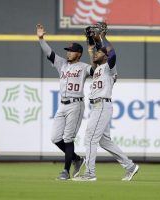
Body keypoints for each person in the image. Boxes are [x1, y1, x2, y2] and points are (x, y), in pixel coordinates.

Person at [73, 22, 139, 181]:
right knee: (104, 141)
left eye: (99, 52)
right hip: (98, 106)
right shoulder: (98, 68)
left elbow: (112, 53)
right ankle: (130, 166)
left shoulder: (110, 67)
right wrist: (91, 44)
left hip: (102, 104)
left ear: (105, 54)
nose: (96, 53)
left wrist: (102, 37)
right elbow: (95, 57)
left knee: (89, 138)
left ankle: (90, 174)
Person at [36, 24, 93, 180]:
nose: (68, 53)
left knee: (68, 138)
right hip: (62, 105)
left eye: (71, 51)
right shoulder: (62, 64)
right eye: (67, 51)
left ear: (79, 54)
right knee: (55, 138)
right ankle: (76, 159)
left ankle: (66, 171)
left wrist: (92, 50)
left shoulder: (83, 67)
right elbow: (49, 53)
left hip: (76, 104)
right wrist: (41, 39)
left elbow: (95, 70)